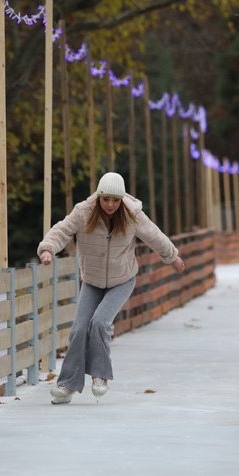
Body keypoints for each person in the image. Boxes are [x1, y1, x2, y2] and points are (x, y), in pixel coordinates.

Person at [38, 172, 185, 404]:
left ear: (121, 200)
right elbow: (62, 229)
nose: (109, 205)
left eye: (115, 200)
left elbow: (154, 236)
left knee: (100, 323)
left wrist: (172, 256)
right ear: (98, 197)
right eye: (105, 199)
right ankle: (67, 385)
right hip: (92, 281)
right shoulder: (84, 212)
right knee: (78, 329)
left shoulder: (132, 215)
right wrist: (48, 248)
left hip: (122, 280)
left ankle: (100, 375)